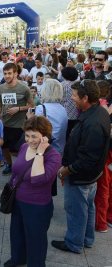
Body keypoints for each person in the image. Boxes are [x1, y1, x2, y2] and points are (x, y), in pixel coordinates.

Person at [52, 79, 110, 254]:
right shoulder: (99, 112)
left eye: (75, 96)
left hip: (81, 176)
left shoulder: (92, 122)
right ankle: (87, 239)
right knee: (88, 207)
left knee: (76, 210)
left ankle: (74, 243)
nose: (72, 99)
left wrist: (67, 170)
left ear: (85, 98)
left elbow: (87, 158)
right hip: (92, 175)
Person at [4, 116, 61, 267]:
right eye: (27, 135)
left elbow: (37, 179)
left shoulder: (53, 156)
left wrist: (40, 153)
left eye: (34, 136)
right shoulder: (24, 147)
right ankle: (18, 259)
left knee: (36, 241)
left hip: (37, 206)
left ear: (45, 137)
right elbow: (16, 171)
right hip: (18, 200)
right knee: (16, 233)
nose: (29, 140)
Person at [0, 63, 33, 175]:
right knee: (4, 148)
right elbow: (0, 106)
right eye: (5, 73)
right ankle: (10, 165)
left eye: (9, 73)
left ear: (16, 73)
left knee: (17, 151)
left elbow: (31, 105)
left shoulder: (24, 88)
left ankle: (20, 167)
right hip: (4, 124)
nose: (6, 76)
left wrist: (19, 108)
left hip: (19, 125)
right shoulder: (0, 89)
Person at [29, 79, 68, 155]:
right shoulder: (63, 109)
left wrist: (30, 118)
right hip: (60, 149)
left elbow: (34, 131)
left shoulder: (41, 108)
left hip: (45, 150)